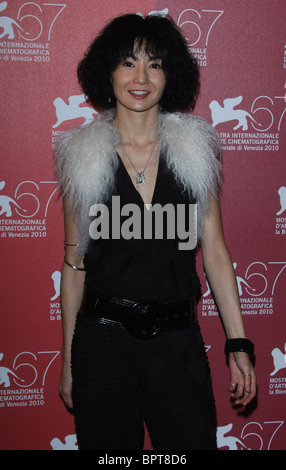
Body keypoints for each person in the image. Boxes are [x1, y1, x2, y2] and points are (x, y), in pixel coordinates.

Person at [55, 13, 256, 450]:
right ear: (108, 72)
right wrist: (70, 359)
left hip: (177, 347)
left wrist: (238, 342)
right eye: (128, 62)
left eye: (155, 63)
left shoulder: (195, 155)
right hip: (102, 346)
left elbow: (216, 253)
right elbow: (74, 263)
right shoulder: (81, 158)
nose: (141, 77)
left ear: (171, 74)